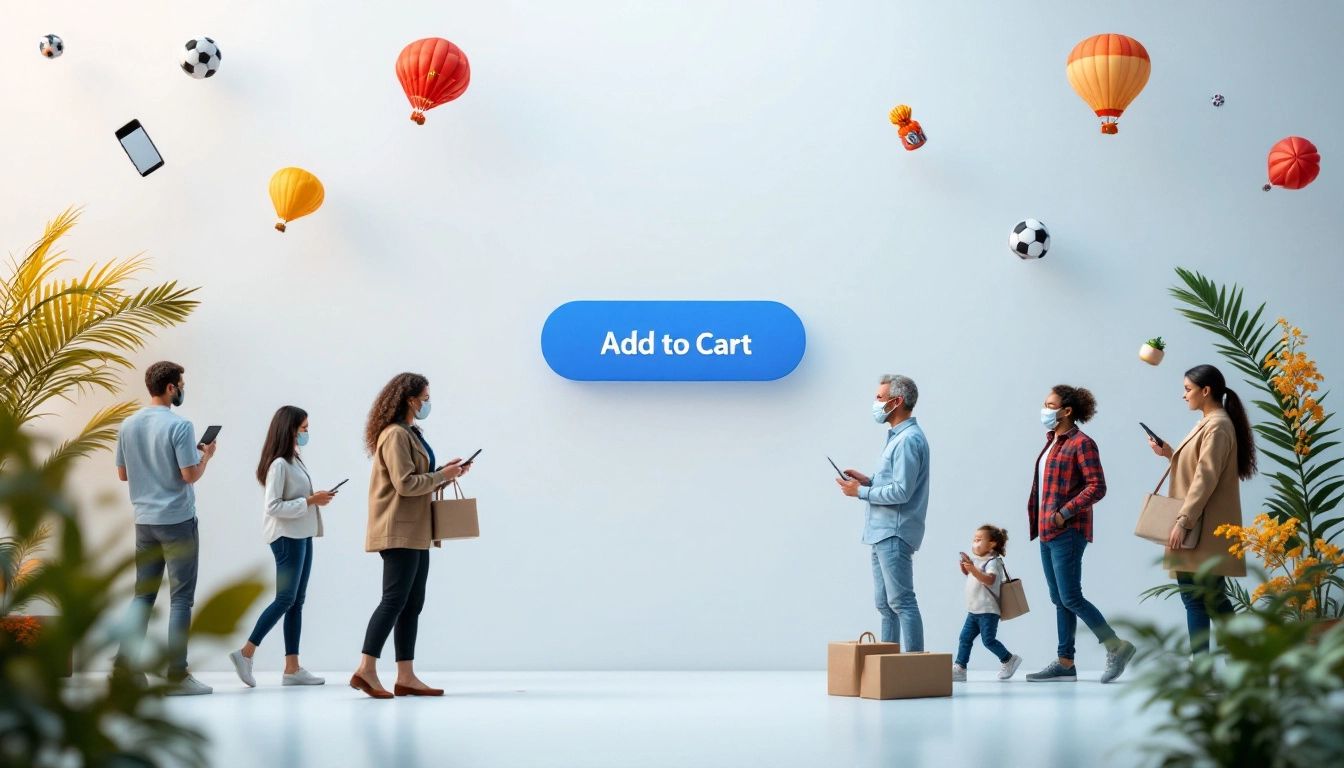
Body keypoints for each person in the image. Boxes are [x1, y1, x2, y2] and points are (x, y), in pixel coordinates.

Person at [349, 373, 469, 699]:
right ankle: (366, 669)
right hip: (397, 530)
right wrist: (441, 475)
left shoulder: (409, 433)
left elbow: (418, 479)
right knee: (393, 601)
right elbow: (405, 484)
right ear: (409, 398)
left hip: (416, 530)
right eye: (425, 397)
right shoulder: (394, 435)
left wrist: (445, 475)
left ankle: (406, 676)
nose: (427, 403)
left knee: (412, 604)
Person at [112, 361, 216, 695]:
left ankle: (124, 668)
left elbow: (123, 475)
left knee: (143, 596)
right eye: (181, 384)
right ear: (171, 387)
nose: (183, 389)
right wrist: (207, 456)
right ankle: (176, 674)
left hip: (144, 522)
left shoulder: (128, 425)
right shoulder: (180, 425)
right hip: (177, 521)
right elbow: (189, 475)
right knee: (181, 599)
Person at [1024, 385, 1135, 684]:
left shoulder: (1082, 443)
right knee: (1059, 599)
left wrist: (1064, 513)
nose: (1045, 410)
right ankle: (1065, 662)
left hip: (1068, 531)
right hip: (1047, 531)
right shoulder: (1051, 442)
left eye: (1050, 405)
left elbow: (1097, 486)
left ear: (1067, 411)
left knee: (1071, 596)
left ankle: (1116, 646)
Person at [1148, 364, 1255, 654]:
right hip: (1199, 524)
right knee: (1208, 598)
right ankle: (1234, 665)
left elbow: (1205, 478)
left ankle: (1212, 670)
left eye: (1187, 389)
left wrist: (1183, 521)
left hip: (1201, 526)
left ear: (1205, 391)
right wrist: (1169, 453)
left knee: (1202, 598)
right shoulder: (1210, 422)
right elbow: (1199, 469)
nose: (1184, 396)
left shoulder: (1217, 425)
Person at [228, 406, 334, 688]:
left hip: (303, 533)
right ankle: (246, 653)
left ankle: (292, 668)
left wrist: (315, 499)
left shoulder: (294, 460)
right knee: (286, 599)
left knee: (296, 602)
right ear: (290, 430)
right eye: (304, 429)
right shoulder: (278, 465)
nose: (307, 433)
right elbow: (273, 507)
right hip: (287, 537)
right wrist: (312, 501)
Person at [836, 374, 930, 652]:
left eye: (879, 398)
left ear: (897, 401)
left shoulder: (908, 440)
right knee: (886, 605)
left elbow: (901, 492)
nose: (875, 403)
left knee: (902, 602)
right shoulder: (897, 438)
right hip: (881, 531)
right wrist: (868, 481)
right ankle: (889, 669)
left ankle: (915, 671)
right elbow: (894, 483)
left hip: (894, 531)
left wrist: (860, 492)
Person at [953, 525, 1022, 682]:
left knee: (988, 640)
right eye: (973, 540)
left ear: (992, 544)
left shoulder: (993, 562)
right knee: (964, 638)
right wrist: (966, 568)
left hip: (988, 611)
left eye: (978, 540)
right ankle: (960, 668)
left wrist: (974, 570)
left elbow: (990, 580)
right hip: (974, 610)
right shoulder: (977, 560)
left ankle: (1009, 659)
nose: (974, 543)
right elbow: (972, 576)